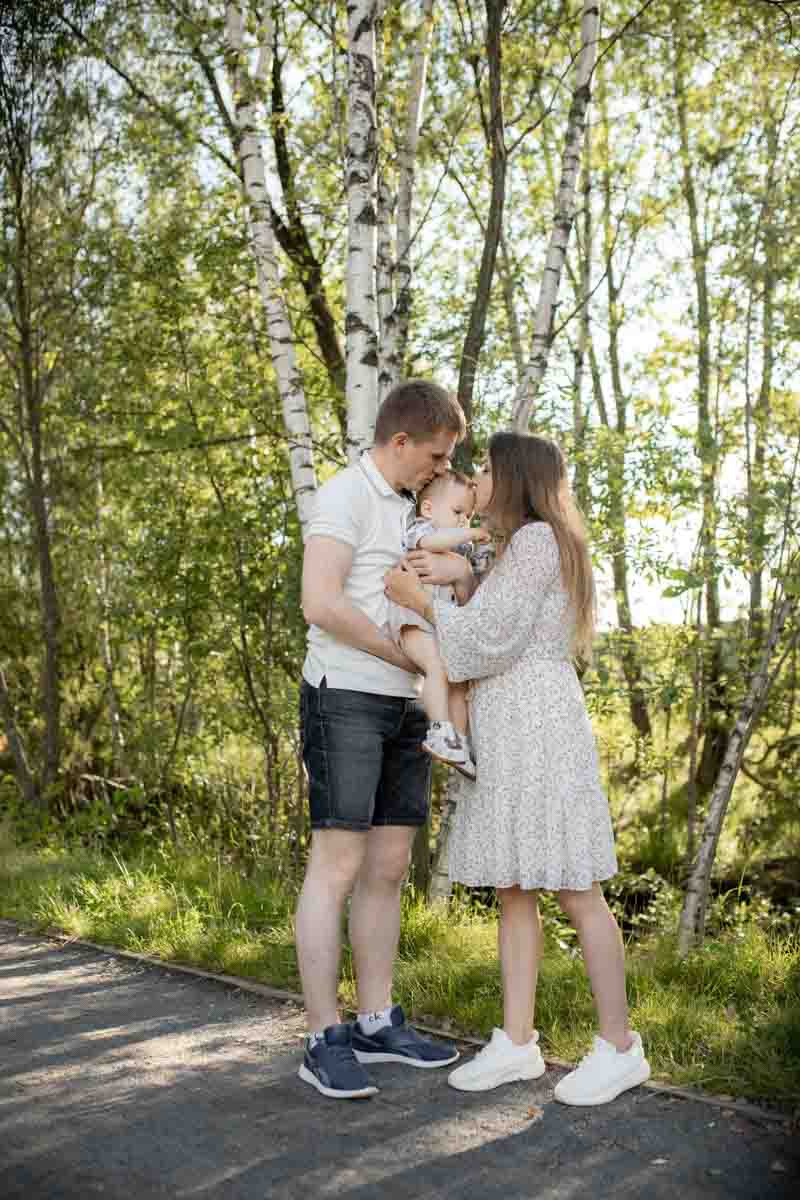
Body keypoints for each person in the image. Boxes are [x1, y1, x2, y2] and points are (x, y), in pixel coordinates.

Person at [385, 431, 651, 1106]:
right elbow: (493, 626)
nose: (474, 481)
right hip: (512, 725)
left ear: (515, 477)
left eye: (486, 470)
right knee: (513, 887)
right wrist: (463, 584)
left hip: (537, 725)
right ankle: (517, 1041)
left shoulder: (535, 541)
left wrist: (425, 603)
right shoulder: (515, 549)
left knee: (574, 887)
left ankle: (620, 1047)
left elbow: (484, 644)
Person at [295, 379, 465, 1100]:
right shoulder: (343, 497)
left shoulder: (408, 508)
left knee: (389, 866)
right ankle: (322, 1036)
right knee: (337, 864)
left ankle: (375, 1020)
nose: (440, 466)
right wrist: (402, 657)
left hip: (402, 708)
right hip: (345, 700)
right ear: (400, 442)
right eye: (435, 453)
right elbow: (321, 601)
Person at [386, 470, 490, 779]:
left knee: (456, 676)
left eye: (469, 517)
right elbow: (436, 541)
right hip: (412, 620)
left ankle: (459, 741)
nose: (463, 522)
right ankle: (439, 730)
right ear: (428, 508)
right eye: (458, 512)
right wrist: (471, 534)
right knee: (436, 667)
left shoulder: (458, 552)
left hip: (438, 625)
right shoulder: (421, 530)